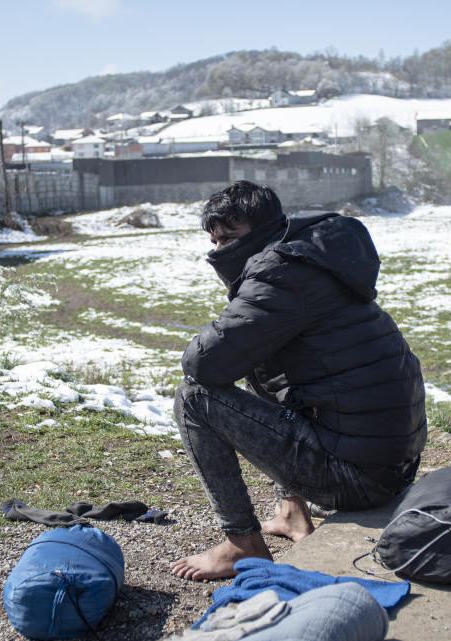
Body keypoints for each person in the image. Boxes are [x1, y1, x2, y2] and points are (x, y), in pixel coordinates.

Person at [170, 180, 427, 581]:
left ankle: (242, 544)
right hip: (391, 464)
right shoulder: (312, 258)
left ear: (265, 230)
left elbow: (203, 365)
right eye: (215, 241)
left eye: (229, 238)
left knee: (194, 398)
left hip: (360, 478)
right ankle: (291, 511)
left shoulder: (280, 273)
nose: (219, 252)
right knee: (265, 362)